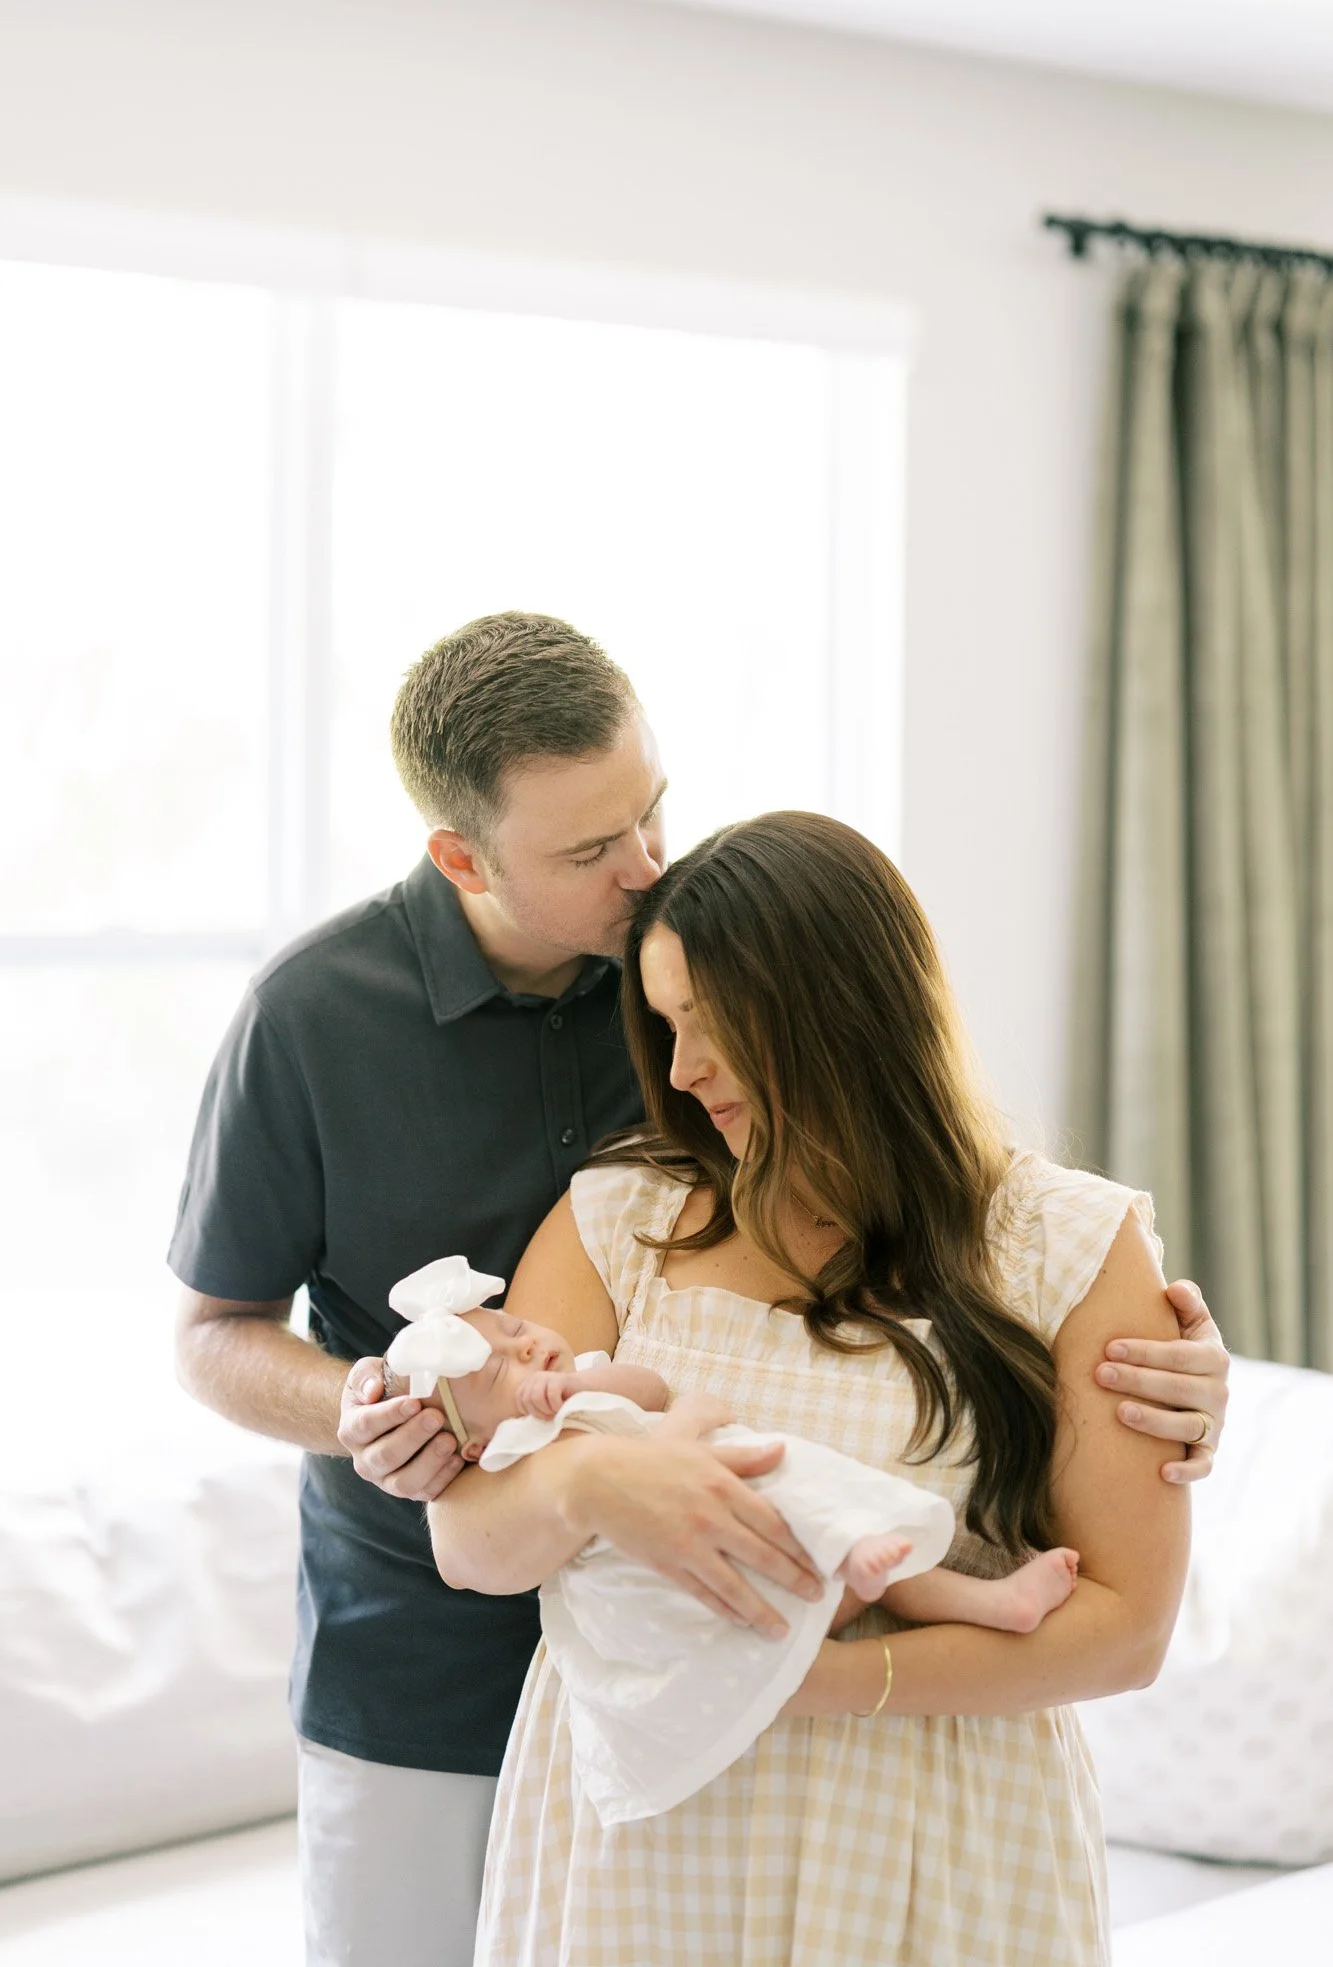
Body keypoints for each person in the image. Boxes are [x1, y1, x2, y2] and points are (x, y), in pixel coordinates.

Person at [170, 613, 1229, 1967]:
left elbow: (1108, 1573)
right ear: (462, 858)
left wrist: (1172, 1366)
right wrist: (388, 1412)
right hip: (444, 1661)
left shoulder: (708, 945)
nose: (642, 868)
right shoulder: (318, 1025)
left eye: (650, 814)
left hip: (870, 1758)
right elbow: (217, 1334)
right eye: (588, 852)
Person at [428, 812, 1195, 1967]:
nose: (681, 1070)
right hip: (640, 1835)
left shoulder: (1067, 1246)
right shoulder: (624, 1217)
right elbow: (470, 1541)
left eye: (712, 1025)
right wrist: (590, 1480)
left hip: (929, 1828)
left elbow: (1123, 1630)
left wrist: (796, 1683)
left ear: (837, 1012)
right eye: (667, 1023)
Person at [379, 1261, 1079, 1826]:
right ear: (470, 1444)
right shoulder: (506, 1458)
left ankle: (982, 1600)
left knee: (826, 1511)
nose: (525, 1346)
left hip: (720, 1485)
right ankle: (834, 1594)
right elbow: (481, 1548)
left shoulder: (581, 1389)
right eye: (500, 1370)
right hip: (645, 1582)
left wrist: (574, 1386)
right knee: (716, 1626)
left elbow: (650, 1391)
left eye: (514, 1327)